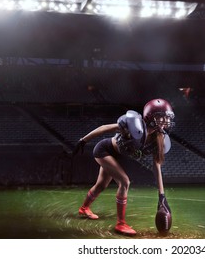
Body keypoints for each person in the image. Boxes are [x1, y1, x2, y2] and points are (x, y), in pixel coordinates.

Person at [73, 98, 175, 235]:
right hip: (104, 150)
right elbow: (105, 128)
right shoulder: (135, 125)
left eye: (167, 117)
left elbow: (157, 167)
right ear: (150, 116)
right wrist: (83, 140)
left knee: (101, 185)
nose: (165, 120)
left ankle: (84, 208)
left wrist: (162, 195)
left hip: (116, 156)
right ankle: (121, 224)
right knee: (124, 181)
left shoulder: (159, 139)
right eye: (161, 117)